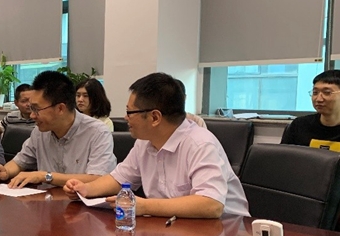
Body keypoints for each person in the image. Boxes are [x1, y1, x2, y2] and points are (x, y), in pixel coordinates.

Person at [64, 73, 249, 218]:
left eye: (130, 112)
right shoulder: (144, 142)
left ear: (154, 117)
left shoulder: (200, 144)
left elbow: (211, 205)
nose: (126, 118)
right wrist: (86, 189)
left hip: (226, 233)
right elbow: (119, 178)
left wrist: (145, 206)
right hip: (174, 227)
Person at [0, 71, 116, 188]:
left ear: (60, 108)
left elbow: (98, 179)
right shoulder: (40, 132)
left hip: (82, 205)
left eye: (36, 109)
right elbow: (19, 162)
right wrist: (5, 171)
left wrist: (45, 176)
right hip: (46, 202)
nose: (32, 115)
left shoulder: (97, 132)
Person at [281, 70, 340, 150]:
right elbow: (284, 155)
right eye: (315, 93)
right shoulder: (299, 125)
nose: (318, 99)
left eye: (327, 92)